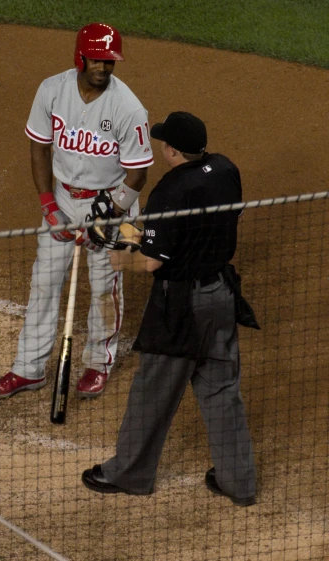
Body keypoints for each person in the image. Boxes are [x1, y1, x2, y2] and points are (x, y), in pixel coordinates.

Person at [81, 111, 257, 506]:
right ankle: (239, 481)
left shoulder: (169, 191)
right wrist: (126, 232)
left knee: (152, 391)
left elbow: (150, 262)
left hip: (181, 307)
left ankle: (127, 473)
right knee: (222, 390)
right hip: (221, 295)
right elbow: (187, 226)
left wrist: (113, 251)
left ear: (172, 150)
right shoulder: (225, 168)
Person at [0, 22, 154, 400]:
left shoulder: (128, 107)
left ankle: (98, 363)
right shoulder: (52, 91)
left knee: (104, 288)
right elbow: (39, 148)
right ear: (80, 56)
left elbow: (138, 172)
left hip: (115, 205)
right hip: (63, 198)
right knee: (44, 282)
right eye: (97, 59)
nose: (103, 68)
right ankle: (27, 369)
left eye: (109, 61)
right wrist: (48, 206)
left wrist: (108, 215)